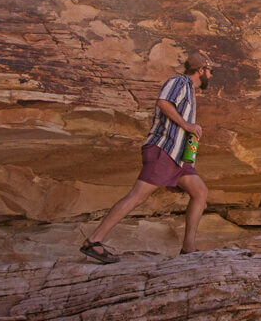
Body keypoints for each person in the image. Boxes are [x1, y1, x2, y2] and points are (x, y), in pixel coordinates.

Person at [80, 51, 214, 264]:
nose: (211, 75)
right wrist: (187, 125)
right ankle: (94, 241)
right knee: (137, 196)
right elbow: (163, 102)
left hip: (178, 157)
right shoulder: (179, 81)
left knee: (200, 192)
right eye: (210, 71)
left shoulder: (189, 90)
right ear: (201, 70)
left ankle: (188, 248)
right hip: (163, 150)